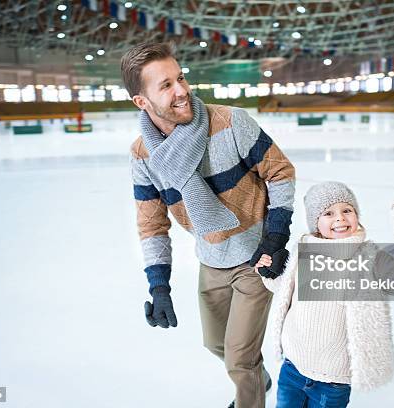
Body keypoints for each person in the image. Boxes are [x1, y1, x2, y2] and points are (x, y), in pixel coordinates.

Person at [120, 42, 296, 408]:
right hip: (211, 258)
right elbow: (151, 224)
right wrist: (159, 286)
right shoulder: (144, 154)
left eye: (180, 78)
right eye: (165, 85)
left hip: (255, 256)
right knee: (216, 344)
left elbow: (279, 172)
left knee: (239, 359)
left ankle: (249, 398)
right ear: (142, 102)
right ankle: (257, 382)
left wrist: (276, 236)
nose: (182, 90)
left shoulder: (230, 122)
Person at [254, 182, 394, 407]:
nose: (340, 218)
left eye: (347, 210)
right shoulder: (304, 250)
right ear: (315, 223)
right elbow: (286, 293)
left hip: (332, 383)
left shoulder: (371, 259)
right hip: (292, 370)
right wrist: (269, 272)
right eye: (328, 213)